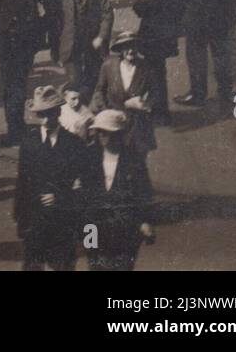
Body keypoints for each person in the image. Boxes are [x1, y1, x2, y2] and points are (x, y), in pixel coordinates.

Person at [13, 85, 86, 271]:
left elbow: (83, 186)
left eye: (49, 114)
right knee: (32, 266)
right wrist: (20, 217)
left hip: (62, 218)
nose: (45, 120)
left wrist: (60, 196)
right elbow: (22, 181)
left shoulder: (73, 143)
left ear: (58, 112)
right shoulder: (29, 142)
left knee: (62, 265)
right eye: (41, 115)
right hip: (34, 218)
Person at [82, 109, 155, 271]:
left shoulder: (133, 160)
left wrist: (145, 221)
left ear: (120, 134)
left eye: (107, 132)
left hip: (124, 227)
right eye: (99, 132)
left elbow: (144, 192)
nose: (102, 136)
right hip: (92, 226)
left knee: (122, 266)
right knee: (94, 265)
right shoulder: (89, 156)